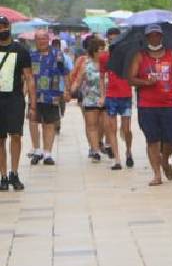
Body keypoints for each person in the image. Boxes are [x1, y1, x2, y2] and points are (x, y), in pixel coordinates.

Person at [128, 24, 172, 186]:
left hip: (169, 105)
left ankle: (165, 159)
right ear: (146, 38)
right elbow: (131, 79)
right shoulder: (139, 57)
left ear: (161, 37)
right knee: (152, 140)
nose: (154, 38)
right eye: (151, 36)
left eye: (157, 35)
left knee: (170, 140)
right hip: (147, 106)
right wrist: (146, 81)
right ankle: (157, 174)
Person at [0, 16, 35, 191]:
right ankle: (3, 175)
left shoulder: (21, 50)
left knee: (15, 136)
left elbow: (29, 77)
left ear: (9, 27)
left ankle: (14, 172)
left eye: (4, 26)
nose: (2, 29)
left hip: (15, 99)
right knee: (0, 139)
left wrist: (33, 104)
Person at [29, 30, 69, 165]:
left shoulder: (57, 54)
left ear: (48, 39)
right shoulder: (31, 55)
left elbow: (65, 72)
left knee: (49, 124)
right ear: (35, 40)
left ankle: (47, 154)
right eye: (39, 38)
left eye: (44, 38)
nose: (42, 41)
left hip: (52, 95)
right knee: (33, 122)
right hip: (35, 94)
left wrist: (67, 90)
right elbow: (26, 76)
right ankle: (36, 150)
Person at [100, 27, 134, 170]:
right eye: (111, 38)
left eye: (116, 38)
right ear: (107, 39)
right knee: (111, 128)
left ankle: (128, 150)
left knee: (126, 129)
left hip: (126, 95)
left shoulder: (128, 56)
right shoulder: (104, 57)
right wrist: (102, 95)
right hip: (111, 96)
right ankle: (117, 159)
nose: (113, 41)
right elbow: (101, 77)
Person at [71, 37, 106, 162]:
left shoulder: (107, 64)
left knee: (103, 126)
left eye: (104, 49)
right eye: (101, 49)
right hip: (90, 98)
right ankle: (95, 150)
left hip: (106, 99)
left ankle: (99, 143)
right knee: (92, 126)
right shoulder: (86, 65)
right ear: (94, 51)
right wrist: (72, 89)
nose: (103, 51)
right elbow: (79, 79)